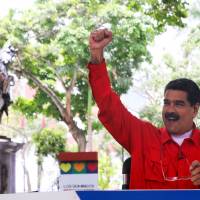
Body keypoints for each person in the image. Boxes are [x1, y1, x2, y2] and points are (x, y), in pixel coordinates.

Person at [87, 28, 200, 189]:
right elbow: (108, 106)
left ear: (194, 110)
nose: (170, 110)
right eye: (166, 103)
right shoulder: (143, 136)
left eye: (178, 104)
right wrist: (96, 55)